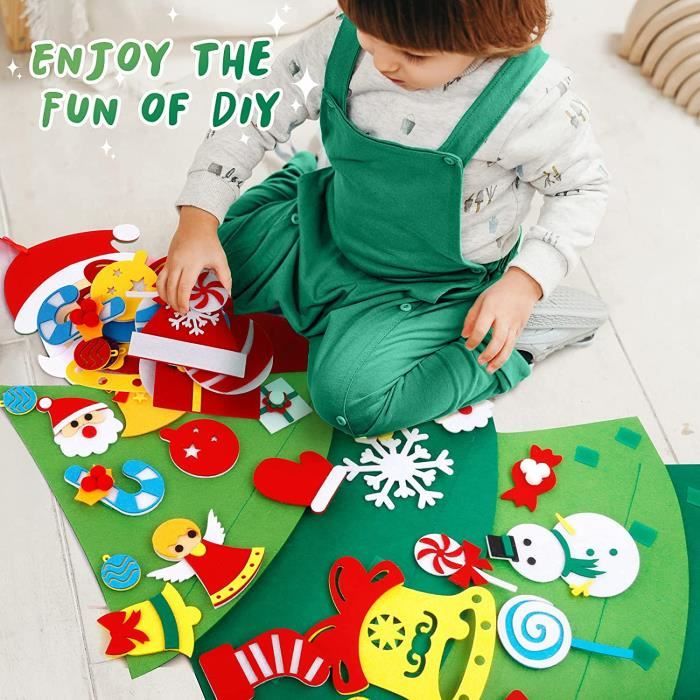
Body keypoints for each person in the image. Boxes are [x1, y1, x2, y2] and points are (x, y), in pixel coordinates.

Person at [159, 0, 610, 437]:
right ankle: (300, 175)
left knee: (349, 400)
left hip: (431, 287)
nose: (383, 64)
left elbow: (581, 188)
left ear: (487, 36)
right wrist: (198, 220)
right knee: (214, 265)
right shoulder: (345, 38)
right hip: (330, 226)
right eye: (369, 38)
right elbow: (256, 110)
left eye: (414, 55)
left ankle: (517, 339)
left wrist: (525, 283)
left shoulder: (531, 101)